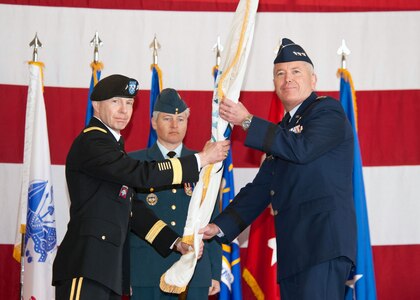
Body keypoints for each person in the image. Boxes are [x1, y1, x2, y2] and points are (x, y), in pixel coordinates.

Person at [200, 38, 357, 300]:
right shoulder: (282, 131)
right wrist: (220, 226)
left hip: (323, 245)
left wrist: (247, 120)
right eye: (280, 74)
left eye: (296, 71)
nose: (288, 79)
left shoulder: (328, 111)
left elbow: (301, 149)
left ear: (313, 80)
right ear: (274, 85)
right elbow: (262, 189)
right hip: (294, 250)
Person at [52, 74, 230, 300]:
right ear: (96, 105)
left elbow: (133, 210)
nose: (123, 110)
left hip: (106, 268)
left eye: (129, 103)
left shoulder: (112, 146)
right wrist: (200, 160)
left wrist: (175, 243)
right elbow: (141, 174)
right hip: (87, 265)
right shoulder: (93, 142)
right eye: (115, 102)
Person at [129, 88, 222, 300]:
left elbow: (212, 219)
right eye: (167, 118)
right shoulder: (136, 164)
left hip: (195, 270)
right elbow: (126, 221)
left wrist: (214, 272)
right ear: (153, 122)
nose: (174, 125)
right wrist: (126, 274)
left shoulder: (204, 163)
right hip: (147, 270)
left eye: (181, 119)